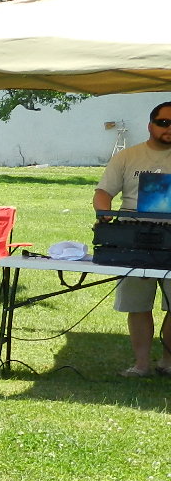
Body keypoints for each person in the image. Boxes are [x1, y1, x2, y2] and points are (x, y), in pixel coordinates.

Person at [93, 101, 171, 377]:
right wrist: (104, 212)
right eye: (163, 123)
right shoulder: (127, 157)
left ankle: (168, 362)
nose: (169, 129)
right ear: (150, 125)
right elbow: (103, 192)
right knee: (137, 305)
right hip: (134, 238)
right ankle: (141, 364)